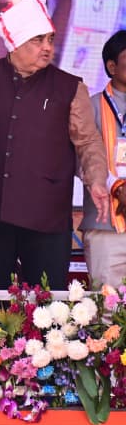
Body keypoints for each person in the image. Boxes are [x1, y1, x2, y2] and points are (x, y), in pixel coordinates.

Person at [0, 0, 108, 290]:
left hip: (47, 215)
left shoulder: (70, 86)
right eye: (37, 40)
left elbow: (87, 143)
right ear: (14, 43)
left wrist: (97, 180)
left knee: (48, 306)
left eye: (50, 39)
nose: (47, 47)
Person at [80, 30, 126, 287]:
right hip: (105, 225)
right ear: (111, 66)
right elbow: (81, 159)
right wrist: (116, 187)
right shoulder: (90, 106)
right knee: (107, 304)